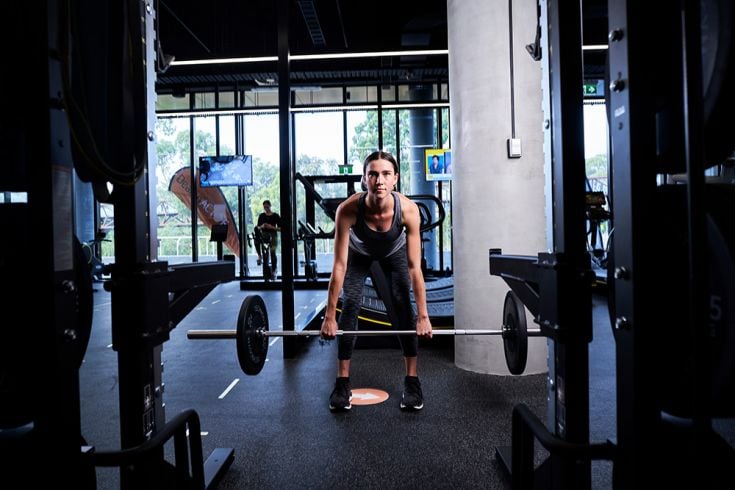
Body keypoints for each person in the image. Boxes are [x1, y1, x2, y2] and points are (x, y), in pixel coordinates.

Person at [320, 150, 433, 412]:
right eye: (373, 174)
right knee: (350, 306)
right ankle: (342, 383)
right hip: (359, 255)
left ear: (395, 179)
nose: (379, 180)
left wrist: (423, 315)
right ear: (364, 179)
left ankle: (412, 381)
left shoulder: (408, 210)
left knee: (403, 304)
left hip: (394, 253)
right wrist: (329, 315)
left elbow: (415, 268)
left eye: (385, 174)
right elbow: (339, 265)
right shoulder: (347, 210)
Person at [256, 200, 281, 277]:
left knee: (273, 252)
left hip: (273, 235)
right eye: (264, 207)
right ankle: (265, 270)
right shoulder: (261, 216)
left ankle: (274, 269)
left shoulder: (276, 216)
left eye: (267, 207)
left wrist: (272, 227)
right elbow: (257, 227)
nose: (266, 209)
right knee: (265, 254)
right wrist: (262, 226)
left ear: (270, 206)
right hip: (264, 235)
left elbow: (280, 228)